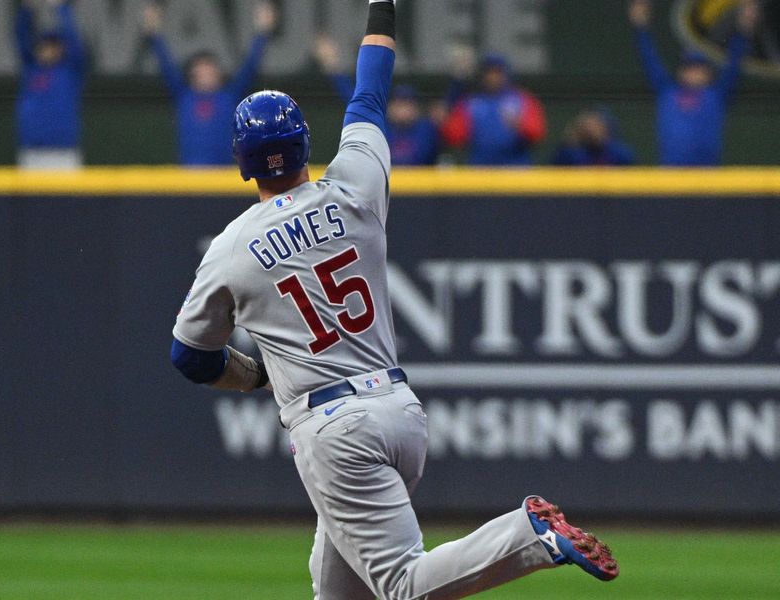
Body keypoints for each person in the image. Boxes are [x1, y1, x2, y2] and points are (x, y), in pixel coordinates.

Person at [170, 1, 619, 597]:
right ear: (305, 145)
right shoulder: (355, 186)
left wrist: (254, 378)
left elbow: (190, 357)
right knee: (337, 591)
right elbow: (370, 95)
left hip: (333, 430)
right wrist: (383, 10)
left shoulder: (229, 249)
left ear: (240, 162)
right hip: (399, 411)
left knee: (403, 586)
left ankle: (530, 535)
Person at [143, 1, 276, 166]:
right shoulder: (184, 96)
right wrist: (154, 34)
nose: (205, 74)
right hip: (188, 179)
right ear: (192, 75)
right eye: (200, 71)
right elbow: (166, 66)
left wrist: (263, 33)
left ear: (219, 74)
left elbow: (250, 67)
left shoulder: (229, 97)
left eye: (210, 69)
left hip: (222, 180)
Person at [629, 0, 759, 166]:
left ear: (708, 73)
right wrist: (640, 27)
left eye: (698, 67)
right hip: (671, 178)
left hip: (706, 178)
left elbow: (735, 63)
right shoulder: (667, 91)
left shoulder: (717, 95)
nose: (692, 72)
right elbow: (649, 58)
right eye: (688, 67)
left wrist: (744, 29)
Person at [313, 35, 440, 166]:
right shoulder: (383, 125)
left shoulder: (426, 128)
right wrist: (332, 64)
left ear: (416, 108)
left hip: (421, 185)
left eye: (407, 103)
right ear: (391, 107)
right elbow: (355, 100)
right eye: (399, 103)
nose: (403, 109)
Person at [15, 0, 86, 170]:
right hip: (31, 154)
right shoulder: (31, 68)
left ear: (61, 49)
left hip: (64, 155)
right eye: (44, 45)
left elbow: (74, 43)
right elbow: (20, 36)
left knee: (68, 197)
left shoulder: (71, 70)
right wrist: (27, 8)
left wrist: (60, 8)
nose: (48, 49)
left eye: (54, 46)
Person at [441, 53, 547, 166]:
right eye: (489, 73)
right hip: (481, 169)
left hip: (516, 168)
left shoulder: (521, 99)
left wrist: (521, 125)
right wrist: (445, 122)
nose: (492, 77)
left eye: (497, 72)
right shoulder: (472, 102)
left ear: (506, 74)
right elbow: (454, 136)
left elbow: (538, 133)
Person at [552, 108, 636, 166]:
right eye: (588, 125)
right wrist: (568, 143)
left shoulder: (618, 152)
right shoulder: (571, 152)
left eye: (596, 125)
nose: (592, 129)